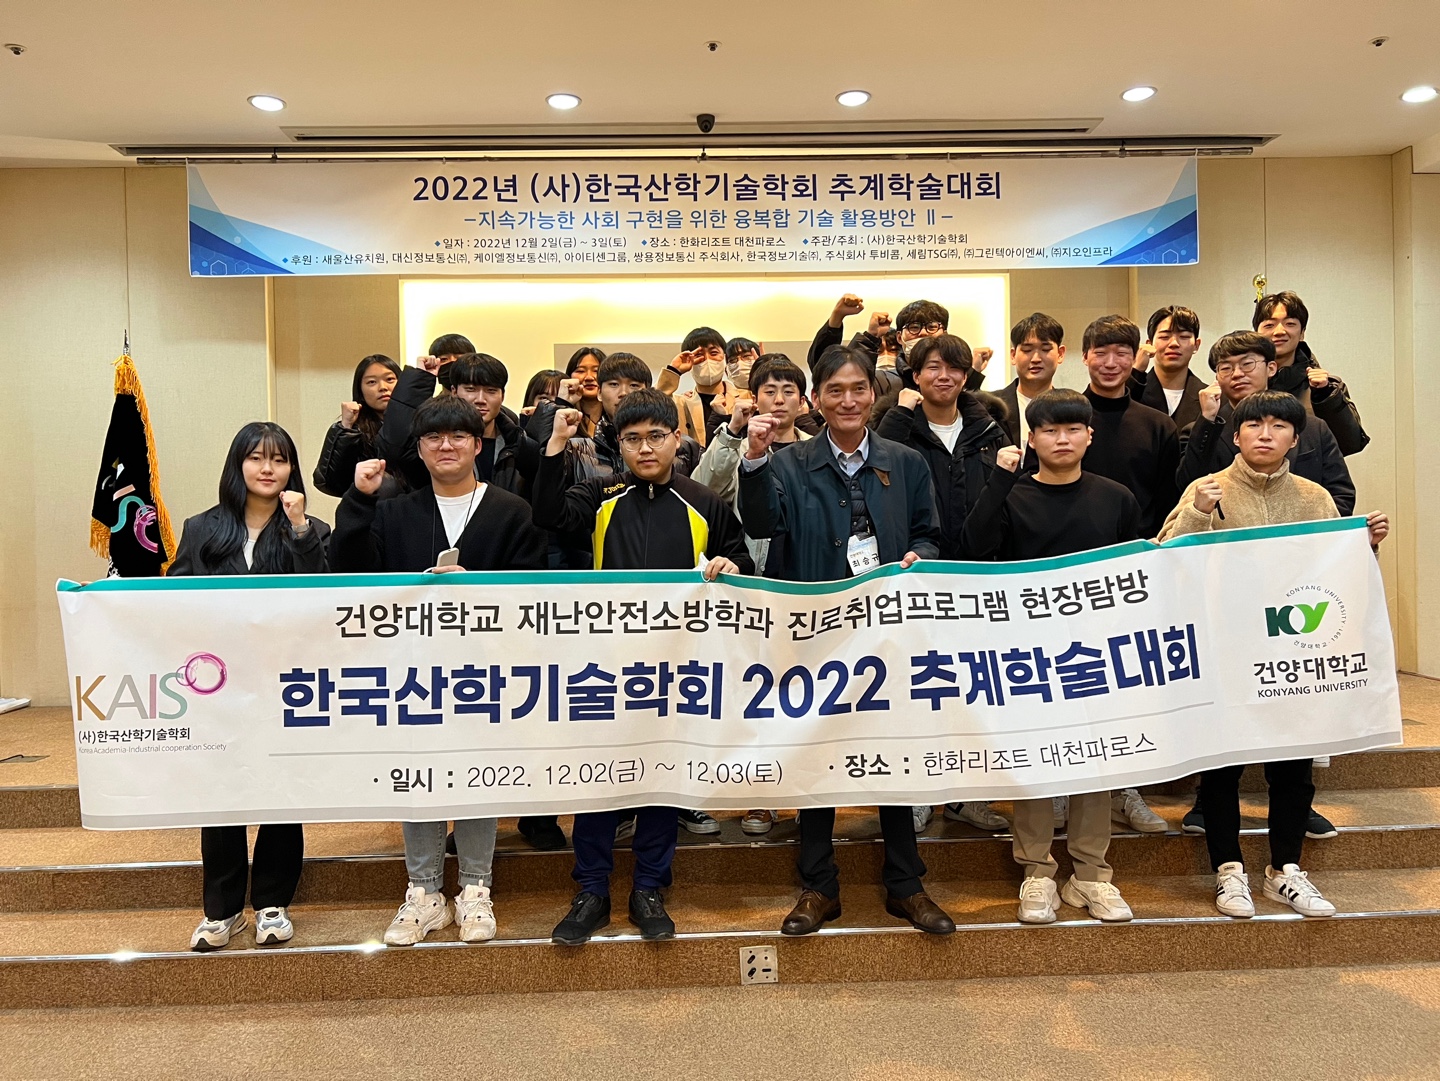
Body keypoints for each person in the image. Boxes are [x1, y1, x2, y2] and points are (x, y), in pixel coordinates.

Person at [738, 345, 955, 937]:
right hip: (814, 636)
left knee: (895, 753)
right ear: (816, 399)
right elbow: (760, 525)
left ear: (873, 393)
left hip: (889, 635)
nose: (848, 400)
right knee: (817, 754)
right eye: (835, 390)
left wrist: (919, 557)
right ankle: (818, 886)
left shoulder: (905, 461)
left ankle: (906, 884)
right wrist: (753, 460)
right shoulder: (787, 462)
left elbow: (930, 534)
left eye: (858, 388)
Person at [532, 388, 752, 944]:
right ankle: (591, 889)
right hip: (606, 668)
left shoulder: (704, 501)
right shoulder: (600, 494)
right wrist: (554, 446)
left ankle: (649, 886)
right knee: (598, 779)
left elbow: (742, 563)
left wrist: (731, 566)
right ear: (619, 444)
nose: (645, 448)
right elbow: (549, 515)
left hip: (679, 668)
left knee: (660, 779)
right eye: (632, 439)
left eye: (656, 436)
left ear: (677, 439)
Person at [1158, 390, 1389, 917]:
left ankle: (1285, 869)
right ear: (1235, 435)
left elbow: (1338, 577)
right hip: (1223, 650)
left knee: (1293, 768)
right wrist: (1197, 513)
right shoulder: (1206, 487)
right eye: (1254, 425)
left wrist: (1366, 545)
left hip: (1293, 653)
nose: (1266, 434)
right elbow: (1167, 560)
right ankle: (1229, 871)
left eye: (1279, 426)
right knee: (1222, 768)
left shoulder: (1314, 497)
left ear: (1296, 438)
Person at [332, 394, 547, 946]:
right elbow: (350, 572)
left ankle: (475, 888)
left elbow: (531, 587)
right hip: (415, 670)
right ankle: (424, 892)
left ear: (478, 444)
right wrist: (358, 498)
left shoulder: (510, 509)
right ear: (420, 449)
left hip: (485, 669)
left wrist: (480, 588)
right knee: (420, 773)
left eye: (458, 436)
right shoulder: (394, 511)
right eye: (433, 437)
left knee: (478, 772)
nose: (446, 446)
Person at [962, 390, 1140, 924]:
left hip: (1097, 653)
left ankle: (1091, 875)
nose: (1062, 439)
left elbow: (1134, 576)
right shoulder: (1011, 494)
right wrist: (999, 480)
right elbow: (973, 549)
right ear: (1032, 438)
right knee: (1035, 761)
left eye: (1072, 429)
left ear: (1089, 436)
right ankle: (1037, 871)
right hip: (1027, 655)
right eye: (1050, 430)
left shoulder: (1116, 498)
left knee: (1095, 761)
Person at [175, 422, 330, 951]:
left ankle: (271, 903)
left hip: (285, 684)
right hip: (217, 688)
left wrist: (301, 528)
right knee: (221, 798)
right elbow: (172, 601)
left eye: (280, 460)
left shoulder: (311, 528)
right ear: (237, 465)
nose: (268, 469)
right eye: (257, 458)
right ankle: (221, 912)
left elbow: (324, 599)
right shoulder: (201, 528)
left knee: (281, 794)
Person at [874, 333, 1013, 834]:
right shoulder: (899, 428)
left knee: (971, 690)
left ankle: (967, 794)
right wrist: (899, 412)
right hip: (915, 574)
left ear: (966, 375)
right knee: (917, 687)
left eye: (954, 367)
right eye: (932, 366)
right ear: (914, 376)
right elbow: (877, 465)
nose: (944, 376)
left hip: (977, 576)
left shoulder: (989, 429)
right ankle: (918, 792)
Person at [692, 353, 813, 836]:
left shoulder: (817, 449)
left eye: (788, 390)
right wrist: (732, 433)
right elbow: (700, 490)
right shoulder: (736, 445)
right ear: (753, 397)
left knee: (805, 692)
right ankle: (761, 794)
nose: (779, 399)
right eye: (769, 391)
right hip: (752, 587)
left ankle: (805, 791)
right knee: (757, 693)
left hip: (806, 585)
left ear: (803, 400)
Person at [1074, 315, 1175, 832]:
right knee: (1073, 681)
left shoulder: (1156, 424)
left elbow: (1170, 499)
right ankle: (1065, 790)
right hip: (1065, 575)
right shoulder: (1065, 414)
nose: (1111, 363)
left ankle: (1125, 789)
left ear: (1136, 357)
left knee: (1127, 684)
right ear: (1085, 357)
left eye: (1121, 352)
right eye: (1101, 352)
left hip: (1134, 573)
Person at [1177, 331, 1355, 514]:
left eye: (1247, 364)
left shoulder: (1314, 428)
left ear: (1271, 368)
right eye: (1225, 368)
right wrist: (1207, 421)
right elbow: (1187, 488)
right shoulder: (1200, 431)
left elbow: (1341, 495)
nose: (1237, 374)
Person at [805, 294, 988, 425]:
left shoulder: (952, 377)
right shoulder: (884, 381)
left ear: (944, 333)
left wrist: (973, 373)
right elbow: (830, 370)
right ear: (900, 337)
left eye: (932, 327)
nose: (923, 333)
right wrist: (863, 334)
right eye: (914, 327)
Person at [1253, 291, 1369, 456]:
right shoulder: (1240, 382)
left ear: (1302, 333)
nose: (1279, 331)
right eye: (1269, 325)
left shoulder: (1326, 388)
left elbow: (1350, 444)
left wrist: (1324, 397)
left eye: (1290, 323)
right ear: (1256, 334)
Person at [313, 354, 402, 498]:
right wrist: (346, 427)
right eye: (372, 382)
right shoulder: (352, 429)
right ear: (360, 391)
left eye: (390, 379)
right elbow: (329, 483)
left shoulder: (419, 421)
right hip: (372, 506)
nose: (383, 387)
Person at [656, 327, 740, 447]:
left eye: (714, 353)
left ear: (725, 358)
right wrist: (674, 370)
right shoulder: (680, 403)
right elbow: (653, 402)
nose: (707, 360)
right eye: (699, 355)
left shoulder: (744, 397)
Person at [995, 312, 1067, 450]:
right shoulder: (991, 407)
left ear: (1060, 354)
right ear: (1013, 355)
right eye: (1027, 350)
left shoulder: (1071, 408)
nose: (1036, 359)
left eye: (1045, 349)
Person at [1130, 306, 1207, 430]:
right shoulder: (1133, 390)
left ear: (1196, 345)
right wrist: (1136, 371)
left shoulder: (1210, 398)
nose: (1174, 344)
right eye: (1164, 337)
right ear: (1150, 344)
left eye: (1184, 337)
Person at [560, 346, 607, 438]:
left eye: (596, 371)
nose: (589, 377)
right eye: (581, 371)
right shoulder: (561, 416)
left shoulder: (617, 418)